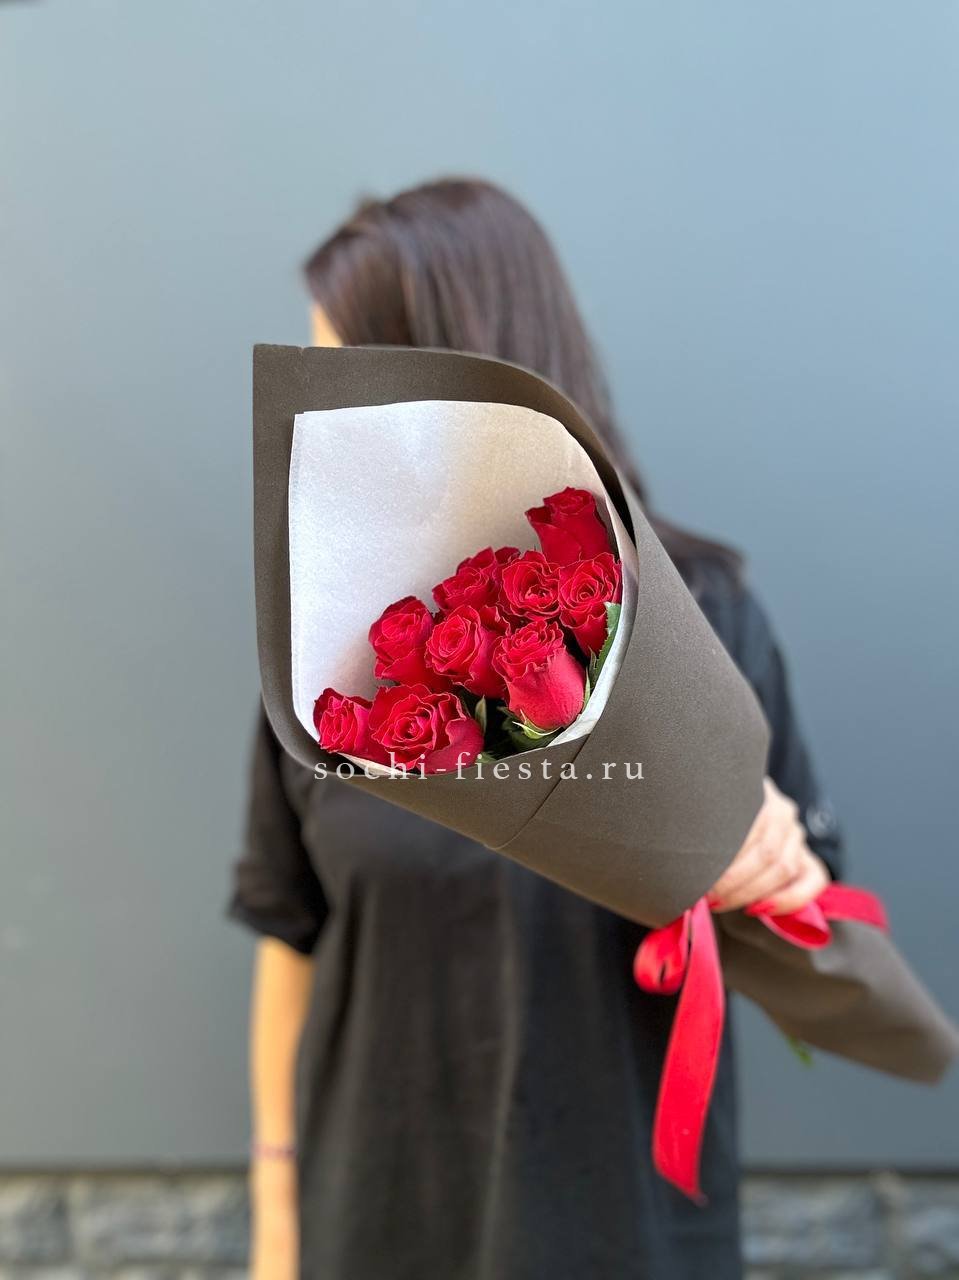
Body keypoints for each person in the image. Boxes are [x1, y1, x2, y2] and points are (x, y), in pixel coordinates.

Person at [228, 178, 843, 1280]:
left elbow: (816, 941)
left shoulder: (703, 622)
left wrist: (772, 868)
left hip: (623, 1230)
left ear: (453, 367)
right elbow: (290, 929)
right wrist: (277, 1211)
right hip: (375, 1222)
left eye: (343, 370)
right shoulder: (327, 657)